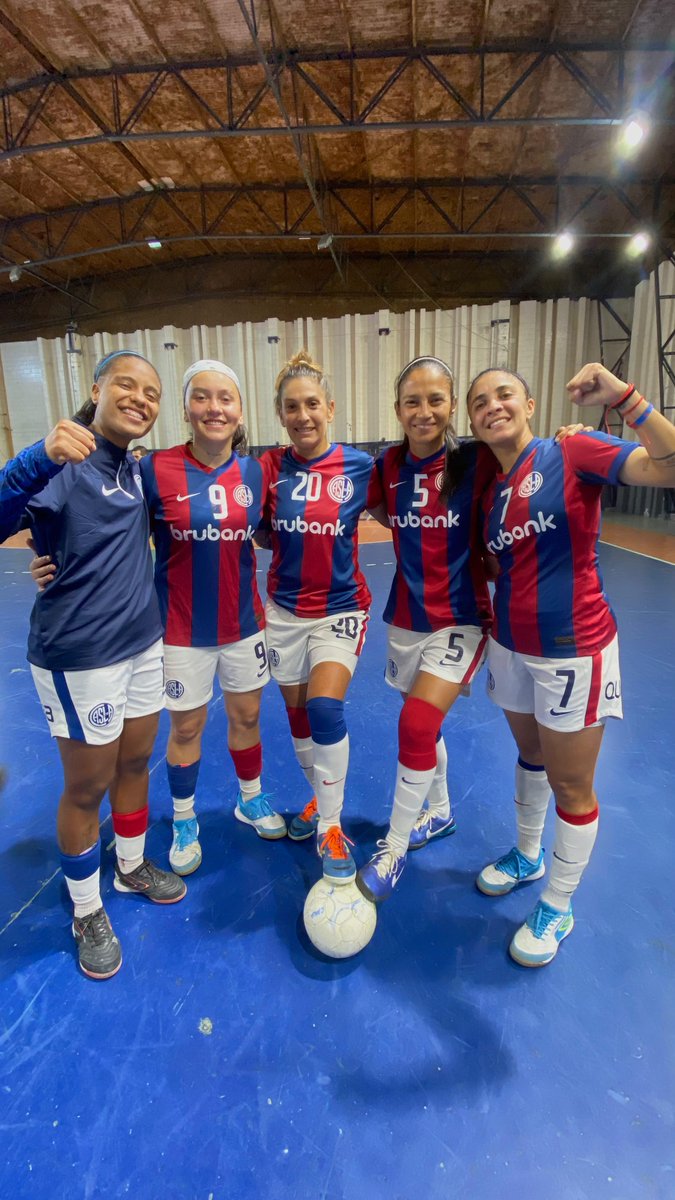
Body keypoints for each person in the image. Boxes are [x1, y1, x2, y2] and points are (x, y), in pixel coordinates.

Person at [467, 362, 675, 967]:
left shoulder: (573, 450)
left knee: (571, 784)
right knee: (531, 758)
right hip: (511, 649)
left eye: (504, 394)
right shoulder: (491, 495)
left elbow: (668, 466)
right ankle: (529, 855)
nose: (493, 407)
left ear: (528, 402)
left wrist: (628, 399)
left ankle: (559, 903)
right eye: (480, 403)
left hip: (573, 650)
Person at [0, 350, 186, 982]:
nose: (139, 398)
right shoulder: (61, 461)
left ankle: (130, 866)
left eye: (151, 393)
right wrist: (35, 456)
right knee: (87, 785)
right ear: (97, 388)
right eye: (126, 386)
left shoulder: (135, 469)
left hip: (142, 643)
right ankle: (85, 909)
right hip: (79, 655)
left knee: (135, 761)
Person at [355, 357, 496, 902]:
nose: (424, 411)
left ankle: (391, 851)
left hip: (460, 618)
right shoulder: (387, 466)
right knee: (424, 728)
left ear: (452, 405)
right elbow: (377, 511)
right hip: (407, 618)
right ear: (397, 410)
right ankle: (437, 812)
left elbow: (531, 458)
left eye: (436, 399)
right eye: (413, 401)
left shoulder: (475, 462)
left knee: (415, 725)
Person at [140, 360, 286, 875]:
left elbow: (276, 528)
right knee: (187, 729)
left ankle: (250, 798)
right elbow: (112, 530)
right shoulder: (154, 470)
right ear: (186, 408)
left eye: (225, 398)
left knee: (247, 717)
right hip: (181, 631)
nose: (214, 408)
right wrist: (50, 558)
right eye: (202, 397)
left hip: (245, 625)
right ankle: (184, 818)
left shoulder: (256, 471)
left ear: (239, 410)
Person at [260, 350, 373, 883]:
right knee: (300, 718)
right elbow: (255, 526)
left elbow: (427, 494)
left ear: (330, 407)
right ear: (280, 416)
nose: (302, 415)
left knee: (326, 709)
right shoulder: (267, 469)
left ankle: (331, 824)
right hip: (284, 611)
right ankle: (316, 798)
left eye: (311, 404)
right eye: (291, 407)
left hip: (341, 608)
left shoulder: (361, 467)